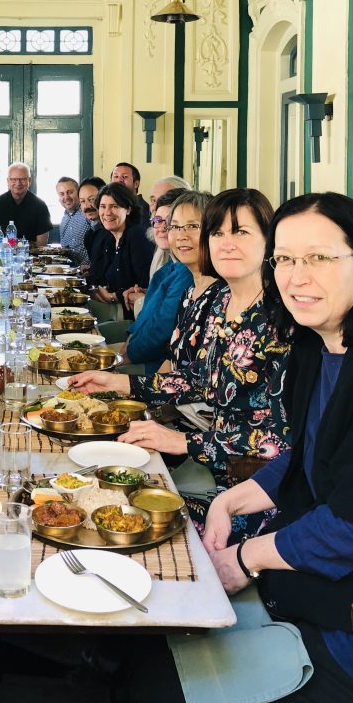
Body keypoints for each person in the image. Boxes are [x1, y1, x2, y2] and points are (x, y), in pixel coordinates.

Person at [203, 192, 353, 703]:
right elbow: (313, 453)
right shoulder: (317, 344)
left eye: (319, 258)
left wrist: (246, 558)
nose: (296, 276)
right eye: (284, 259)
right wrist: (231, 500)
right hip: (310, 588)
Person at [75, 187, 290, 535]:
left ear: (270, 241)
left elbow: (282, 442)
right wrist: (119, 382)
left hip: (255, 494)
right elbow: (196, 379)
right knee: (98, 501)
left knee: (127, 525)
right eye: (218, 232)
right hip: (217, 468)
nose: (226, 242)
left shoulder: (280, 321)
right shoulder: (222, 302)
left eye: (241, 232)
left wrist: (182, 442)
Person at [120, 190, 213, 374]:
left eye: (193, 226)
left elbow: (160, 330)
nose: (181, 235)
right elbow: (173, 359)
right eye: (176, 227)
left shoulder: (214, 290)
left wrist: (126, 356)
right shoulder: (180, 278)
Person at [87, 182, 154, 320]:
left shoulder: (136, 235)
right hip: (112, 311)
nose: (107, 213)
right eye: (103, 206)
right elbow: (99, 277)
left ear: (128, 210)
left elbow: (145, 285)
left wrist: (113, 296)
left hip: (131, 318)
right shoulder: (109, 238)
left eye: (114, 206)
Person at [0, 161, 52, 246]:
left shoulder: (40, 205)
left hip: (31, 255)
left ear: (29, 181)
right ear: (8, 181)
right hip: (3, 254)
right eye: (13, 179)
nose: (18, 183)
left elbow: (42, 244)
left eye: (22, 179)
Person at [56, 175, 90, 264]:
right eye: (62, 194)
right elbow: (65, 250)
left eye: (69, 192)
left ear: (78, 193)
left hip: (90, 272)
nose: (66, 197)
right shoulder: (64, 220)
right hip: (71, 272)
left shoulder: (88, 213)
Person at [79, 176, 106, 272]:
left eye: (92, 199)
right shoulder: (90, 234)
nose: (87, 206)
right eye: (82, 201)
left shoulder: (113, 231)